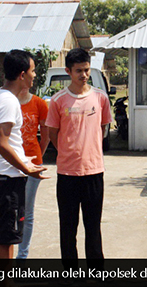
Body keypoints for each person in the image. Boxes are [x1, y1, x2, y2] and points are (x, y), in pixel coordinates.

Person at [0, 49, 49, 287]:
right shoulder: (8, 101)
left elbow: (7, 143)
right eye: (33, 71)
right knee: (5, 237)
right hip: (7, 178)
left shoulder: (2, 96)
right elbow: (2, 143)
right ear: (22, 74)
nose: (34, 76)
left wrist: (25, 164)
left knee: (10, 235)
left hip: (9, 176)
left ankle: (10, 286)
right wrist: (26, 168)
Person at [45, 48, 112, 264]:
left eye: (86, 70)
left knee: (93, 225)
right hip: (67, 173)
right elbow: (53, 133)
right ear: (68, 71)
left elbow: (103, 127)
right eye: (78, 71)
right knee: (68, 226)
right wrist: (68, 150)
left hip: (94, 171)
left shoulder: (100, 98)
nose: (84, 75)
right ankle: (70, 271)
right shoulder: (58, 101)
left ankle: (96, 270)